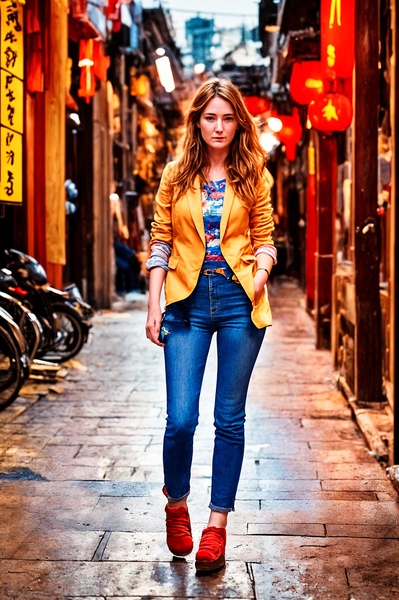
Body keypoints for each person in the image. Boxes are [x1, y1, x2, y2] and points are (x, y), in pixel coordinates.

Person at [145, 78, 277, 573]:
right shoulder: (176, 174)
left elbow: (266, 238)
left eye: (227, 118)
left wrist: (260, 277)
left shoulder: (253, 175)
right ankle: (176, 504)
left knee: (229, 419)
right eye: (210, 118)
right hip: (185, 302)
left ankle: (217, 526)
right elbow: (160, 241)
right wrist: (154, 304)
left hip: (241, 300)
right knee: (180, 419)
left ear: (237, 122)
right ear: (196, 122)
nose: (219, 127)